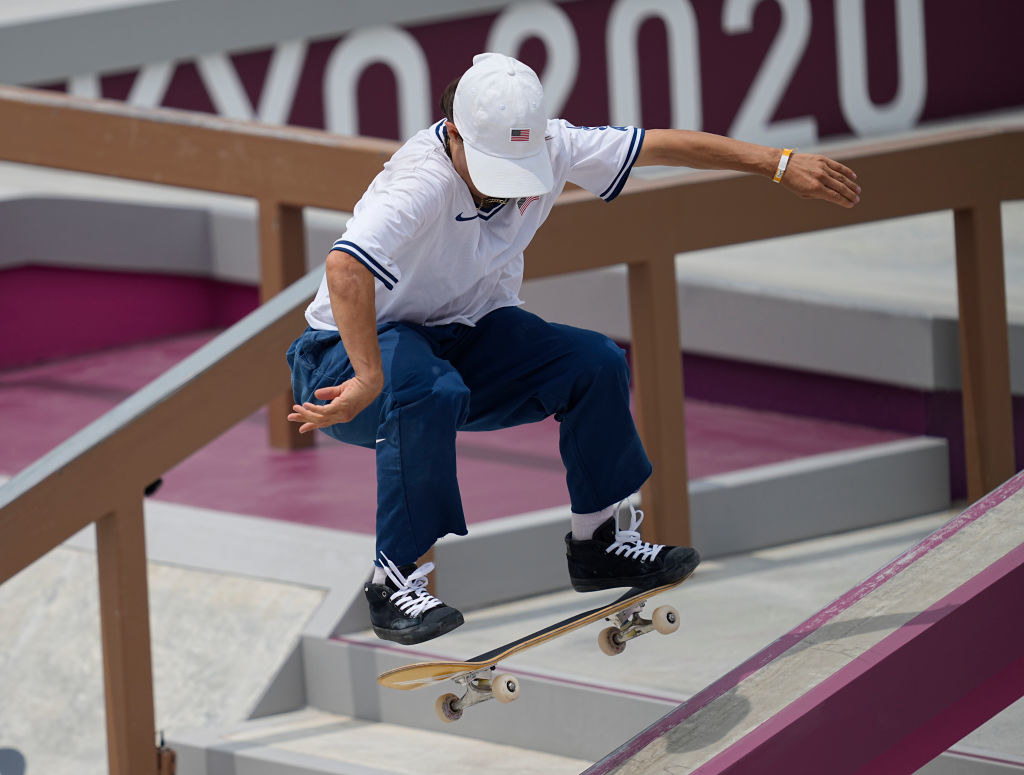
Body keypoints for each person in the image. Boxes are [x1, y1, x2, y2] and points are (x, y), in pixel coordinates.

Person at [287, 53, 860, 645]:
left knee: (594, 363)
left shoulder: (557, 144)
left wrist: (777, 162)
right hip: (344, 366)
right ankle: (394, 582)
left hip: (465, 341)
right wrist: (366, 377)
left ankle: (600, 544)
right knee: (425, 385)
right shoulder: (419, 181)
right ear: (454, 134)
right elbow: (345, 266)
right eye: (490, 168)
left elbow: (659, 146)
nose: (503, 187)